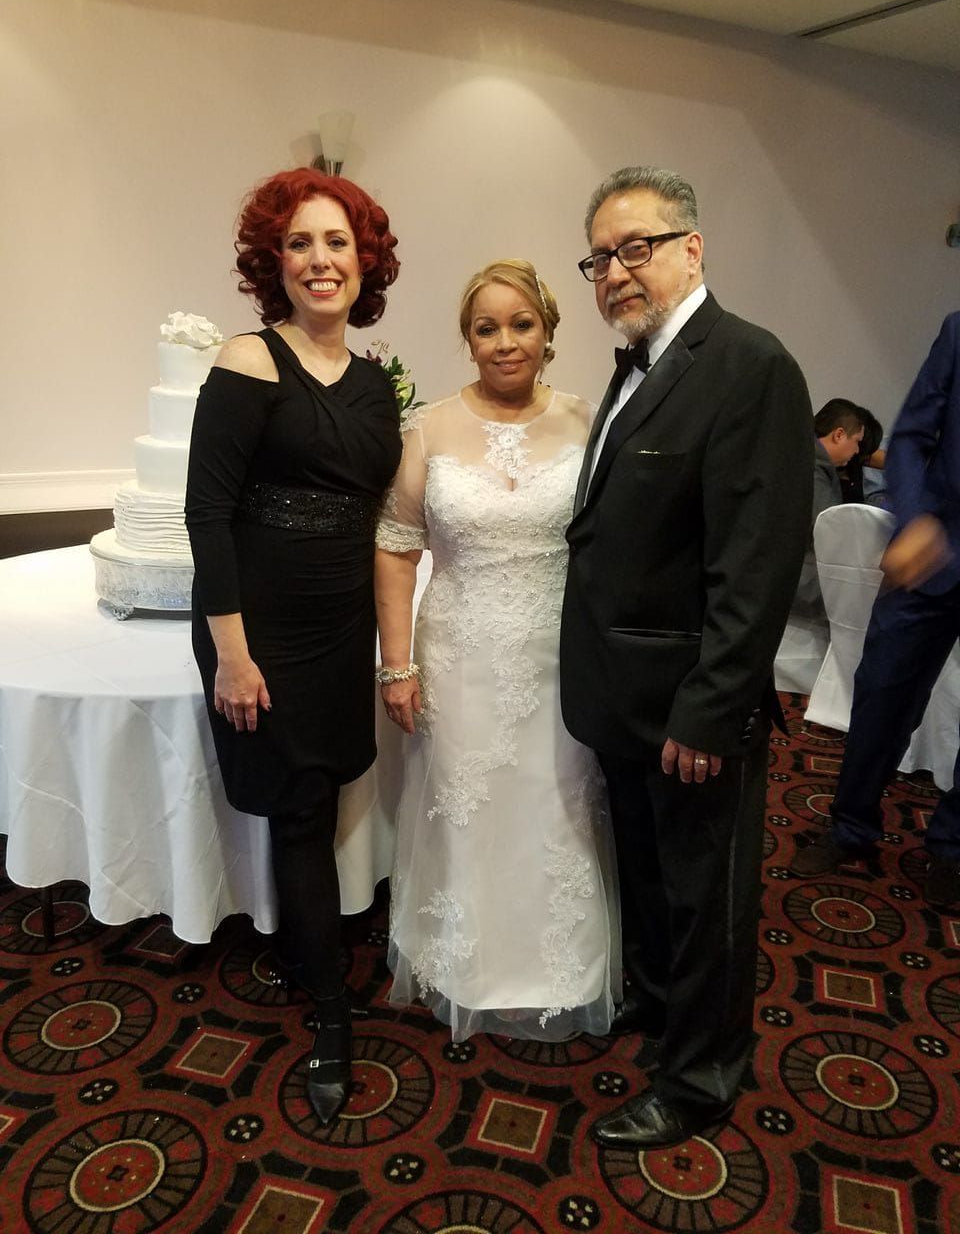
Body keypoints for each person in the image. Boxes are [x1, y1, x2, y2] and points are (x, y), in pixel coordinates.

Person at [560, 166, 812, 1148]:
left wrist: (712, 708)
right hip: (626, 693)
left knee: (709, 895)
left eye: (638, 247)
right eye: (600, 257)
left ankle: (703, 1074)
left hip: (693, 706)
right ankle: (663, 1011)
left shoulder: (750, 364)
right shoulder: (638, 365)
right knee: (657, 878)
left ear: (692, 248)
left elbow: (757, 563)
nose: (617, 271)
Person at [185, 167, 402, 1123]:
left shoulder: (373, 381)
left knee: (324, 793)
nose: (322, 260)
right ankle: (329, 1008)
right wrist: (231, 652)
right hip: (260, 633)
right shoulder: (247, 359)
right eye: (302, 244)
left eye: (338, 244)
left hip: (342, 624)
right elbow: (209, 513)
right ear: (275, 262)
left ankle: (301, 951)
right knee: (302, 805)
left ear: (366, 262)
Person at [374, 259, 619, 1041]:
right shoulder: (431, 427)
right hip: (459, 657)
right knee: (466, 810)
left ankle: (560, 966)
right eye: (487, 328)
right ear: (467, 339)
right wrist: (398, 661)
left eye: (521, 325)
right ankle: (463, 962)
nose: (505, 342)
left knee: (557, 804)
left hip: (559, 659)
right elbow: (396, 546)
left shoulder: (590, 419)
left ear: (548, 332)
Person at [791, 313, 960, 907]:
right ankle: (851, 825)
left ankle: (952, 845)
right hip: (931, 550)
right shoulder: (958, 331)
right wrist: (916, 520)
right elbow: (913, 438)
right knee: (882, 691)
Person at [793, 398, 865, 620]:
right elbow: (827, 531)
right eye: (857, 441)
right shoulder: (813, 469)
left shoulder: (804, 457)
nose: (857, 450)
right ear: (839, 434)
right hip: (799, 580)